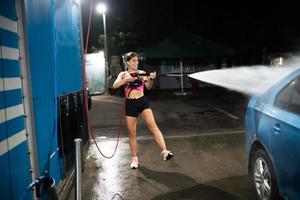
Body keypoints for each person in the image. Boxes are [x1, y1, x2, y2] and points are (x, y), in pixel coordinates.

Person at [113, 52, 173, 169]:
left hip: (142, 101)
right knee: (132, 133)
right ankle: (135, 159)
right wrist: (127, 80)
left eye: (137, 61)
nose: (136, 63)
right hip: (130, 103)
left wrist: (150, 79)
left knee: (153, 125)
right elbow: (115, 85)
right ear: (128, 62)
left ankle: (165, 152)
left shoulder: (141, 73)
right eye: (134, 60)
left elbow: (148, 86)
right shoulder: (123, 74)